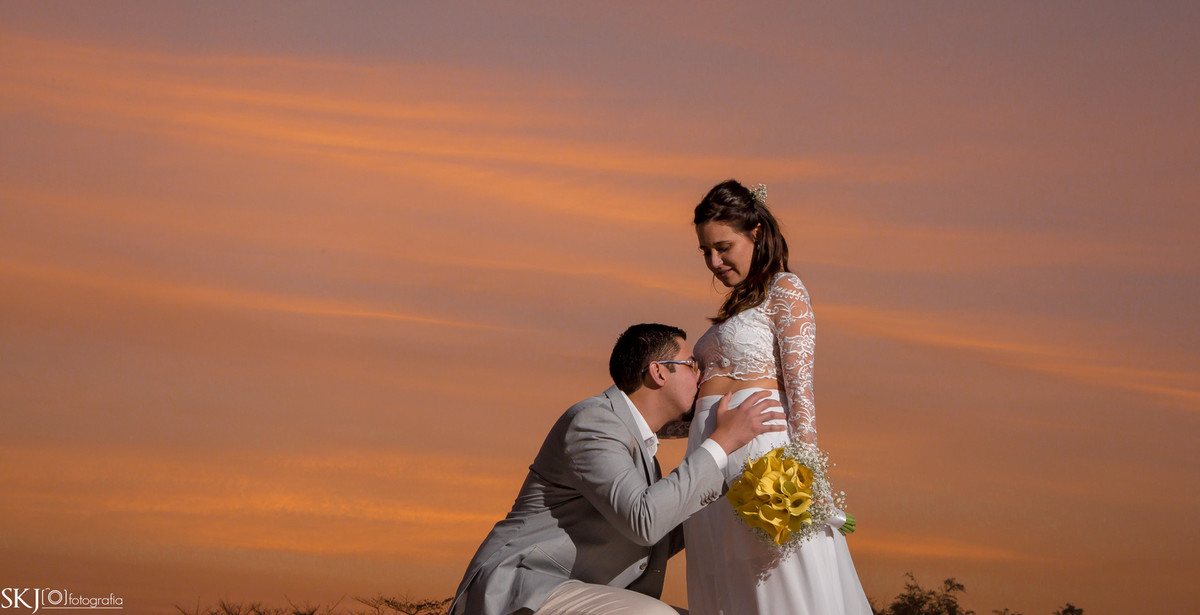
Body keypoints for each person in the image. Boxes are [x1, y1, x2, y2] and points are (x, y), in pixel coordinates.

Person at [449, 323, 787, 615]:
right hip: (525, 588)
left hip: (572, 589)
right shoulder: (593, 422)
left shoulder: (641, 451)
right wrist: (721, 442)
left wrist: (745, 487)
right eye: (691, 364)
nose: (701, 375)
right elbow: (645, 521)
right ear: (658, 372)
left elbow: (661, 532)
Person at [681, 180, 872, 614]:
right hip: (710, 465)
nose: (714, 261)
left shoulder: (785, 289)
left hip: (763, 461)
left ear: (756, 234)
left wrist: (809, 476)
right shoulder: (734, 308)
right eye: (705, 252)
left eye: (723, 247)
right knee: (729, 589)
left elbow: (801, 389)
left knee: (785, 585)